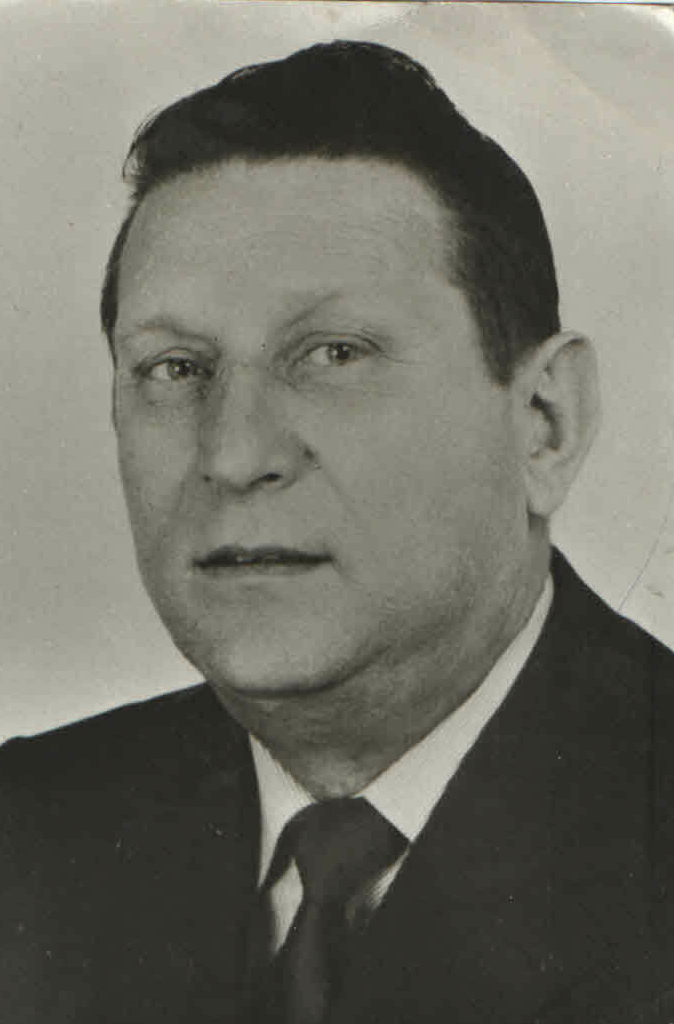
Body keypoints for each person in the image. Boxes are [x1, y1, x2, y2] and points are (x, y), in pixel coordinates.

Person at [2, 40, 673, 1024]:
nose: (234, 454)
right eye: (177, 368)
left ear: (544, 423)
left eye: (334, 353)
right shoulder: (25, 834)